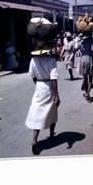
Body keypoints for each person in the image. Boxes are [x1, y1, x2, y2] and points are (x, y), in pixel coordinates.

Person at [25, 17, 60, 155]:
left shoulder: (33, 60)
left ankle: (35, 138)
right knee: (52, 111)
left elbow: (32, 76)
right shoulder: (51, 60)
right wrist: (57, 95)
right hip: (49, 87)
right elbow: (54, 78)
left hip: (39, 87)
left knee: (37, 112)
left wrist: (39, 84)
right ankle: (51, 135)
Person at [76, 14, 93, 102]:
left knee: (84, 78)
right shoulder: (91, 41)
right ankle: (88, 94)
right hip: (90, 59)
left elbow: (76, 49)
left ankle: (85, 92)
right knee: (90, 79)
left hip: (82, 60)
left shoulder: (80, 41)